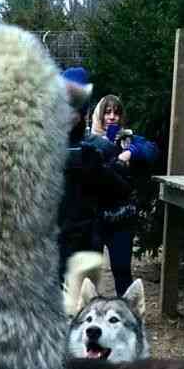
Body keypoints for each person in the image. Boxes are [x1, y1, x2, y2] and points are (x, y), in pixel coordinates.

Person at [58, 69, 133, 285]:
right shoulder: (44, 147)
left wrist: (113, 164)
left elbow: (122, 189)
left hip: (84, 239)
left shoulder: (96, 150)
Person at [90, 94, 158, 296]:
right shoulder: (88, 139)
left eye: (116, 113)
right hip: (93, 217)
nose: (112, 117)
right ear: (99, 115)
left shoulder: (127, 139)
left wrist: (130, 152)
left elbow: (152, 150)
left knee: (121, 271)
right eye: (107, 112)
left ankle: (127, 310)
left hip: (121, 217)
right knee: (89, 274)